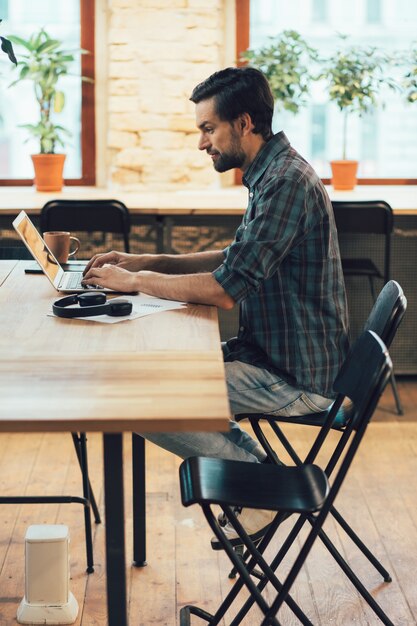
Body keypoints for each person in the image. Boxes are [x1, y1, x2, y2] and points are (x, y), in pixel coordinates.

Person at [83, 67, 350, 545]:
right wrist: (151, 261)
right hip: (269, 356)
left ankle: (261, 489)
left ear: (244, 123)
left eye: (208, 129)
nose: (202, 143)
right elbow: (237, 258)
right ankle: (261, 478)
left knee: (137, 395)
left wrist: (134, 281)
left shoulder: (286, 183)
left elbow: (227, 288)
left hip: (296, 378)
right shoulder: (272, 173)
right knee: (147, 373)